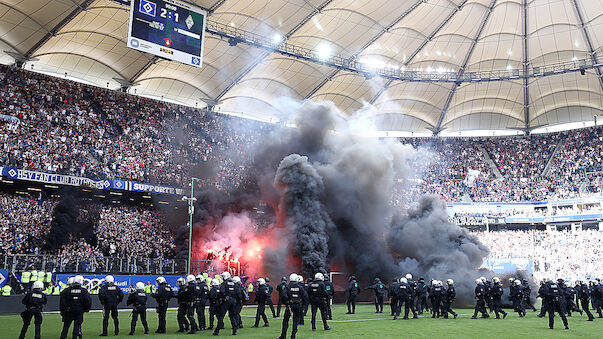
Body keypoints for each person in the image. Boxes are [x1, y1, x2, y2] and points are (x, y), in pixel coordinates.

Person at [277, 273, 308, 339]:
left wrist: (286, 303)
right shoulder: (300, 287)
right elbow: (305, 297)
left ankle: (283, 336)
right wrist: (302, 305)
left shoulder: (287, 287)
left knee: (285, 321)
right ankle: (293, 336)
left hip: (289, 306)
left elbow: (283, 296)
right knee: (295, 321)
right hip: (297, 306)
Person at [213, 271, 243, 336]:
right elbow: (238, 293)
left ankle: (217, 331)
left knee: (221, 316)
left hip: (226, 301)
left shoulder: (224, 284)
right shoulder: (234, 283)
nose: (222, 278)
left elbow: (221, 292)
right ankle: (234, 330)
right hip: (233, 301)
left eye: (223, 276)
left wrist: (222, 297)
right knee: (232, 316)